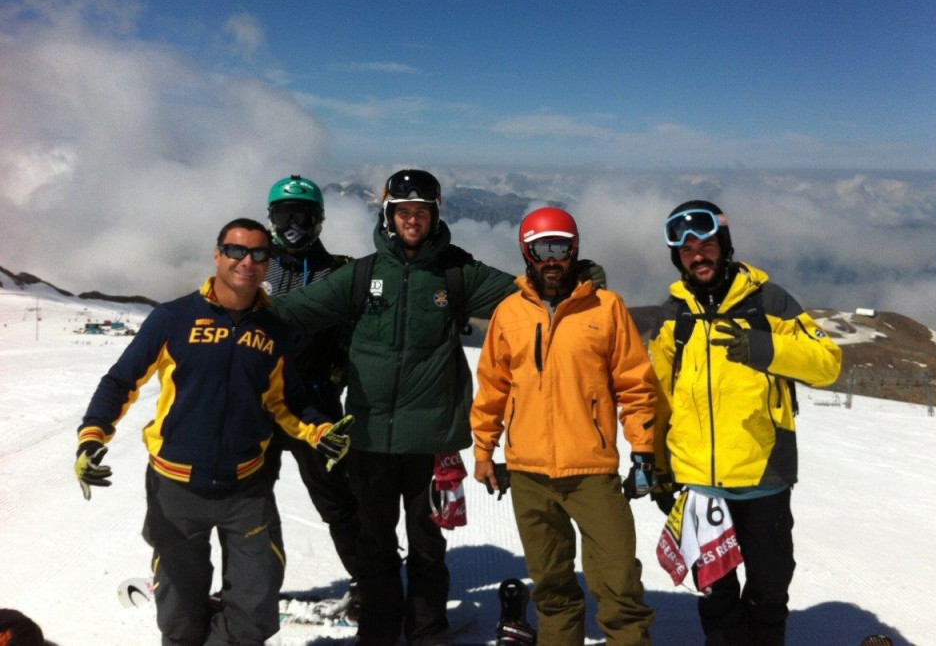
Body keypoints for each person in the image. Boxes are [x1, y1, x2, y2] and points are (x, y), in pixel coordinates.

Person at [269, 170, 606, 645]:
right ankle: (379, 631)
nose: (412, 220)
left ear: (433, 216)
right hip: (369, 439)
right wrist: (224, 300)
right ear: (389, 216)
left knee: (427, 544)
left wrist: (575, 279)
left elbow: (526, 294)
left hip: (431, 442)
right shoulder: (362, 275)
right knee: (374, 543)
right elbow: (291, 311)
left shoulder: (456, 272)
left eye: (421, 212)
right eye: (403, 212)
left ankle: (427, 630)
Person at [74, 218, 352, 646]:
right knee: (180, 620)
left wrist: (320, 429)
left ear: (268, 263)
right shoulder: (173, 318)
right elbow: (121, 381)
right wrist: (93, 435)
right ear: (217, 254)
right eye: (236, 251)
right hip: (175, 487)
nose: (247, 261)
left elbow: (288, 399)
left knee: (256, 611)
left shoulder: (275, 329)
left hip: (247, 488)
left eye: (259, 254)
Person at [648, 201, 842, 646]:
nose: (698, 256)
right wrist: (658, 468)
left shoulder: (769, 302)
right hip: (701, 485)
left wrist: (766, 349)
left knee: (769, 589)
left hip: (763, 476)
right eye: (686, 250)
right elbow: (660, 398)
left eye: (706, 245)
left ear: (725, 244)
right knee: (716, 594)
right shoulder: (674, 316)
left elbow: (828, 363)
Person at [471, 207, 657, 645]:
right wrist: (483, 451)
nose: (551, 259)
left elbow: (635, 384)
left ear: (574, 250)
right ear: (527, 253)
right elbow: (493, 386)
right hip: (529, 474)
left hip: (592, 471)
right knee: (552, 589)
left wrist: (644, 450)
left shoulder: (607, 308)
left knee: (619, 586)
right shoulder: (509, 313)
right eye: (541, 250)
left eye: (560, 248)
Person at [260, 174, 361, 608]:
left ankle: (370, 582)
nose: (293, 226)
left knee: (338, 500)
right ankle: (248, 586)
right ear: (271, 218)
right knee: (248, 503)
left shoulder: (339, 274)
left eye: (302, 216)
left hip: (316, 408)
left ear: (318, 220)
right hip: (257, 408)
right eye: (285, 216)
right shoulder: (254, 267)